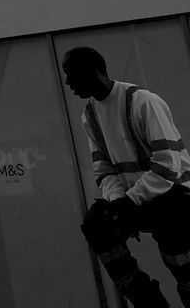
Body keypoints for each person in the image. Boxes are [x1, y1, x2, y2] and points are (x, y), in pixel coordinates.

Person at [62, 46, 190, 308]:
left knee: (177, 252)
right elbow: (104, 170)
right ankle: (147, 299)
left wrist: (129, 201)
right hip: (138, 200)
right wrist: (117, 202)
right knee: (97, 225)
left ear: (93, 72)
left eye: (71, 74)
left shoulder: (142, 101)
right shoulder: (90, 116)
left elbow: (168, 163)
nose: (68, 83)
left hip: (174, 195)